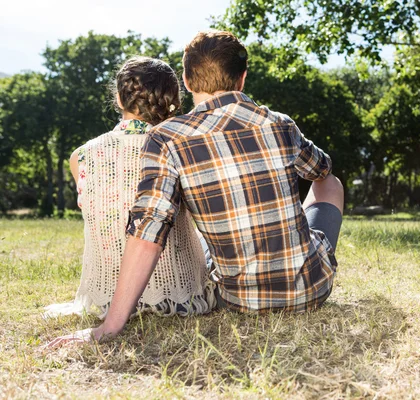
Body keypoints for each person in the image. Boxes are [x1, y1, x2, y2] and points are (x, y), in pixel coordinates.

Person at [46, 31, 343, 346]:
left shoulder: (168, 138)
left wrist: (109, 327)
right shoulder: (281, 123)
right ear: (242, 78)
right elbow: (322, 170)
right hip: (312, 288)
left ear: (187, 81)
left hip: (239, 300)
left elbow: (148, 232)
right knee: (330, 184)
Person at [44, 57, 215, 321]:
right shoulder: (182, 149)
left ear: (120, 99)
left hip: (109, 298)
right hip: (179, 296)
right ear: (173, 101)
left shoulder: (81, 156)